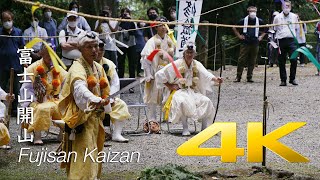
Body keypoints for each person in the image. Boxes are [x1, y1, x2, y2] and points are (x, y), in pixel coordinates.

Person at [58, 31, 111, 179]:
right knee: (85, 154)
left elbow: (105, 89)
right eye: (89, 47)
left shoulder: (99, 67)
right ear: (81, 49)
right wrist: (94, 98)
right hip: (81, 117)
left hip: (96, 118)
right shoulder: (77, 67)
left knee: (95, 151)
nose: (94, 50)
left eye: (96, 46)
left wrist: (106, 100)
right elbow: (79, 88)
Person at [155, 41, 223, 136]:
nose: (189, 55)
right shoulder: (177, 63)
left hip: (193, 91)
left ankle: (204, 128)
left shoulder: (197, 64)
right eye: (187, 52)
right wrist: (170, 86)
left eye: (191, 53)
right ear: (184, 53)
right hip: (180, 91)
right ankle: (185, 128)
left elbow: (206, 74)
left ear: (194, 54)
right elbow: (160, 74)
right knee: (182, 101)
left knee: (206, 101)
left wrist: (216, 79)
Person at [19, 43, 67, 145]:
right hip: (37, 100)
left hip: (54, 98)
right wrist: (33, 99)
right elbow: (25, 89)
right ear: (41, 53)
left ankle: (62, 133)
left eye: (52, 54)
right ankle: (37, 135)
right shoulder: (33, 68)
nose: (50, 57)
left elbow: (66, 82)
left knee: (65, 106)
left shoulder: (57, 68)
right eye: (47, 54)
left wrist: (62, 96)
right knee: (42, 109)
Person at [141, 16, 175, 122]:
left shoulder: (171, 39)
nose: (163, 28)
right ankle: (152, 117)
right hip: (156, 70)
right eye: (160, 25)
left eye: (165, 25)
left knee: (168, 93)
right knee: (154, 94)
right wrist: (148, 73)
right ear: (156, 27)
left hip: (168, 70)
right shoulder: (152, 41)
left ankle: (167, 115)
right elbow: (145, 57)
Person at [96, 41, 131, 142]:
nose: (99, 53)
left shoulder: (109, 64)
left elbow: (115, 83)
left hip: (107, 97)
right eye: (97, 50)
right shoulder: (84, 64)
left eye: (101, 51)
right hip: (90, 98)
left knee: (121, 104)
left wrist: (110, 97)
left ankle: (117, 134)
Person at [0, 10, 25, 117]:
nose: (7, 22)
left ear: (12, 20)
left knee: (16, 88)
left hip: (16, 64)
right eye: (5, 20)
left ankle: (14, 110)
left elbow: (22, 48)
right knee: (1, 87)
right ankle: (0, 110)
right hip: (2, 65)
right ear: (1, 21)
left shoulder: (18, 32)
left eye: (9, 20)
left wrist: (24, 63)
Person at [232, 6, 266, 83]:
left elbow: (265, 29)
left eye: (254, 11)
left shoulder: (259, 21)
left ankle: (249, 76)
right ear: (248, 12)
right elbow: (234, 28)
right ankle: (238, 76)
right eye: (251, 11)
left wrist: (261, 36)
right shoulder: (243, 20)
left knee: (252, 60)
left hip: (255, 42)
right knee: (241, 60)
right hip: (245, 42)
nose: (253, 13)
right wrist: (239, 36)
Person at [273, 0, 299, 86]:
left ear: (290, 7)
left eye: (288, 6)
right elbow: (275, 29)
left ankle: (292, 78)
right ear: (282, 7)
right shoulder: (277, 17)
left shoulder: (294, 16)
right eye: (284, 6)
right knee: (281, 61)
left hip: (292, 41)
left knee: (294, 59)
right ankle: (283, 80)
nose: (286, 8)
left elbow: (296, 28)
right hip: (281, 40)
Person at [117, 8, 137, 79]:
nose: (125, 15)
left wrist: (130, 19)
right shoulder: (119, 22)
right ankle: (120, 80)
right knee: (121, 63)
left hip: (131, 44)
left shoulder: (132, 22)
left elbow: (135, 31)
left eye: (127, 13)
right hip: (121, 44)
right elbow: (116, 33)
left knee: (132, 63)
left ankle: (132, 80)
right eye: (124, 13)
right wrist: (119, 22)